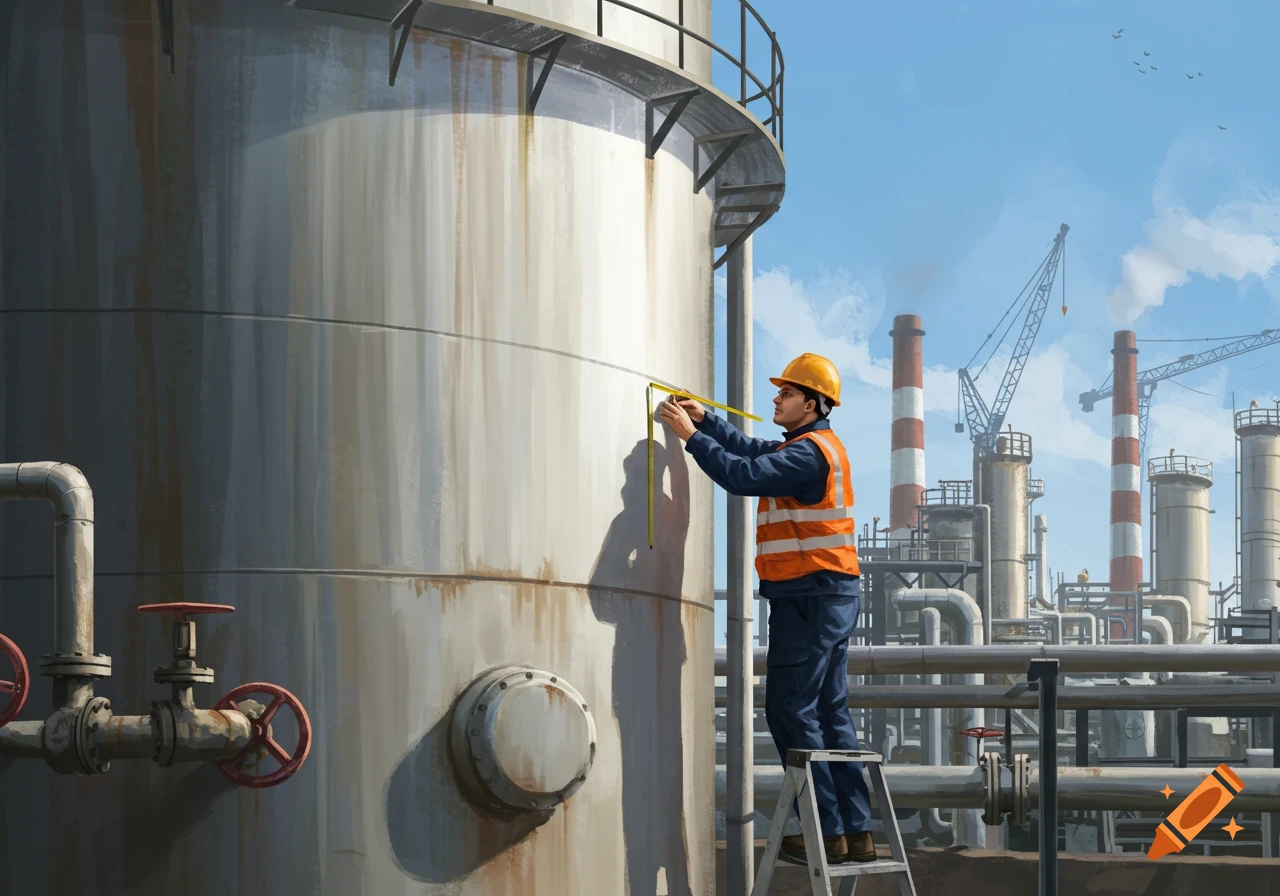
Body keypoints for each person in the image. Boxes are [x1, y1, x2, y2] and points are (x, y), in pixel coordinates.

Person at [658, 352, 875, 866]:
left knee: (790, 709)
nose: (776, 398)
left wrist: (690, 437)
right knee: (829, 711)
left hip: (809, 597)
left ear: (813, 402)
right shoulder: (811, 446)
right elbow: (755, 450)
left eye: (786, 393)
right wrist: (709, 420)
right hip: (827, 594)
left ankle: (824, 831)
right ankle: (855, 833)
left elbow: (742, 474)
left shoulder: (806, 456)